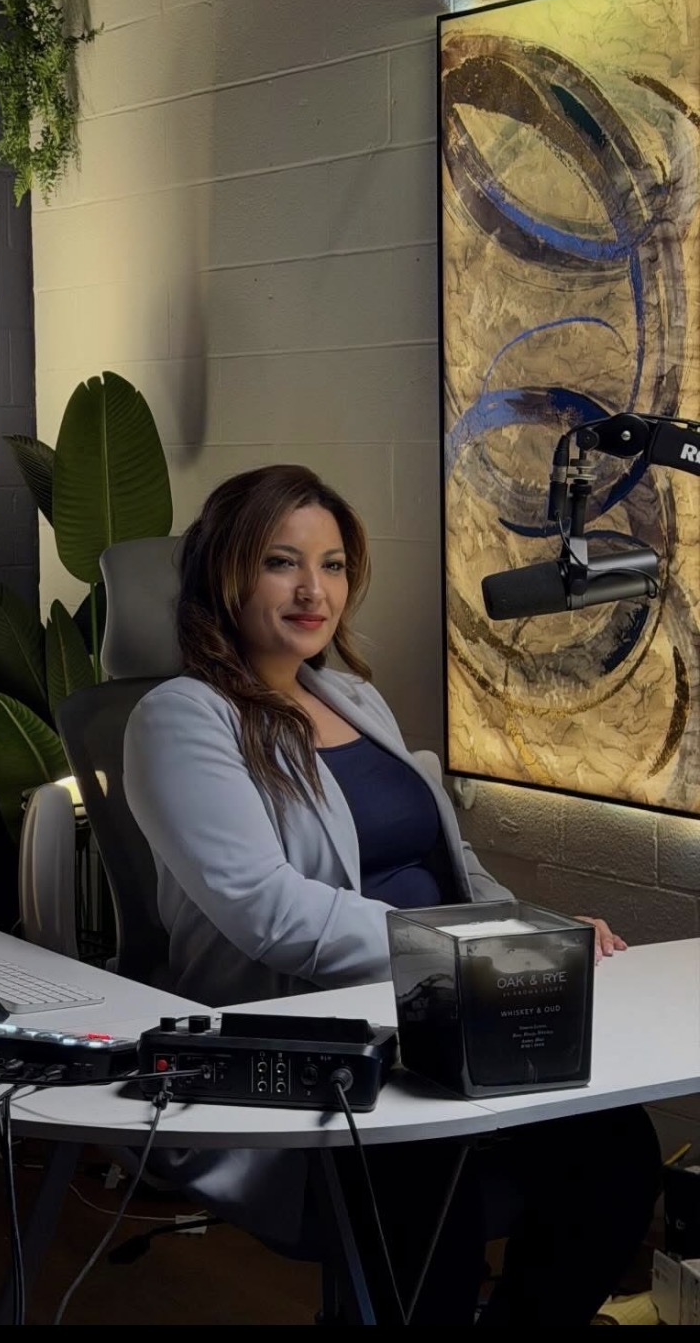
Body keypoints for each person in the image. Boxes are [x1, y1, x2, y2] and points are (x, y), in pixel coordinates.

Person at [123, 464, 661, 1326]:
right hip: (330, 1046)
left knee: (617, 1148)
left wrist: (536, 930)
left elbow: (454, 863)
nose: (314, 590)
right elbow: (269, 911)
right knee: (423, 1177)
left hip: (447, 1018)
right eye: (281, 562)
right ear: (225, 572)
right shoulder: (182, 716)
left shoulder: (352, 695)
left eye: (333, 565)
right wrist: (462, 954)